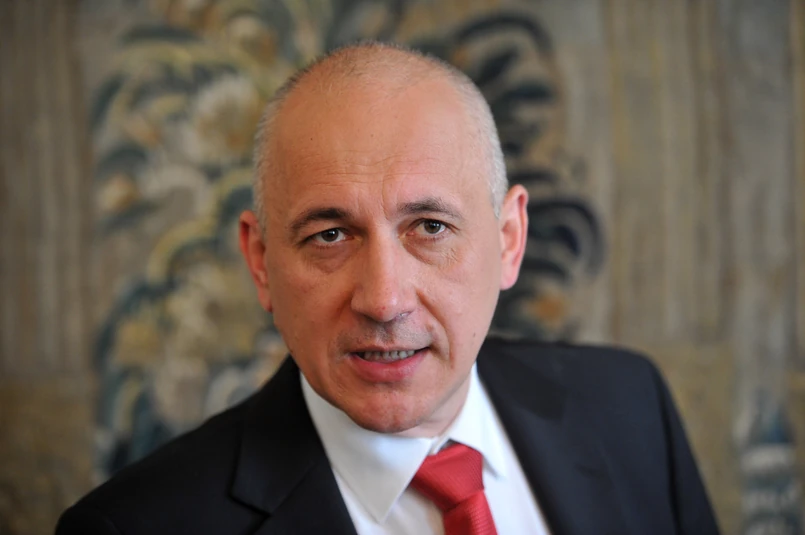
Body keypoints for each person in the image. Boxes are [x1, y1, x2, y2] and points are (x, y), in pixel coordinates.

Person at [56, 42, 720, 535]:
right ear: (260, 261)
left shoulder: (631, 408)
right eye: (329, 235)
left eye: (430, 227)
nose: (383, 299)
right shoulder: (132, 527)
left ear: (509, 240)